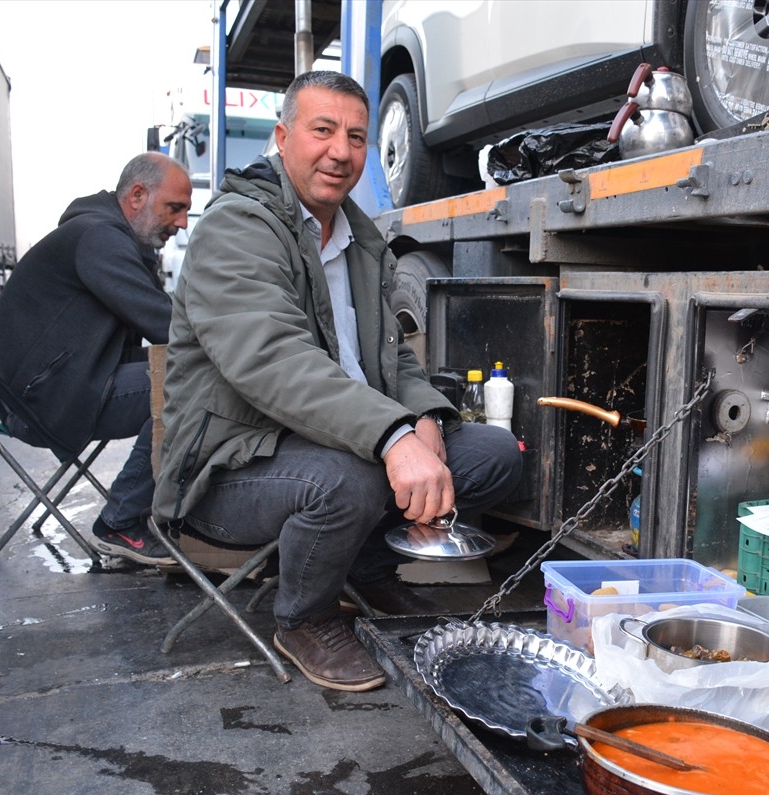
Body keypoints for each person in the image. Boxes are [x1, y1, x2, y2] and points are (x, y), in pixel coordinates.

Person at [152, 71, 522, 692]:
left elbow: (391, 357)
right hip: (229, 469)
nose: (341, 151)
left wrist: (423, 416)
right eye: (322, 130)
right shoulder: (236, 229)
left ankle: (366, 566)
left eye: (356, 137)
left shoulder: (361, 237)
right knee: (351, 476)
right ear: (282, 136)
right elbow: (274, 362)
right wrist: (391, 437)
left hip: (342, 439)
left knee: (491, 455)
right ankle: (304, 618)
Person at [0, 153, 192, 566]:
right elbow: (165, 324)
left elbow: (161, 327)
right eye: (175, 208)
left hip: (56, 383)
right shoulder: (100, 238)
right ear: (136, 196)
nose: (182, 222)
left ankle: (150, 509)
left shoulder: (108, 235)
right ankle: (120, 522)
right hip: (40, 401)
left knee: (184, 369)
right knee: (190, 389)